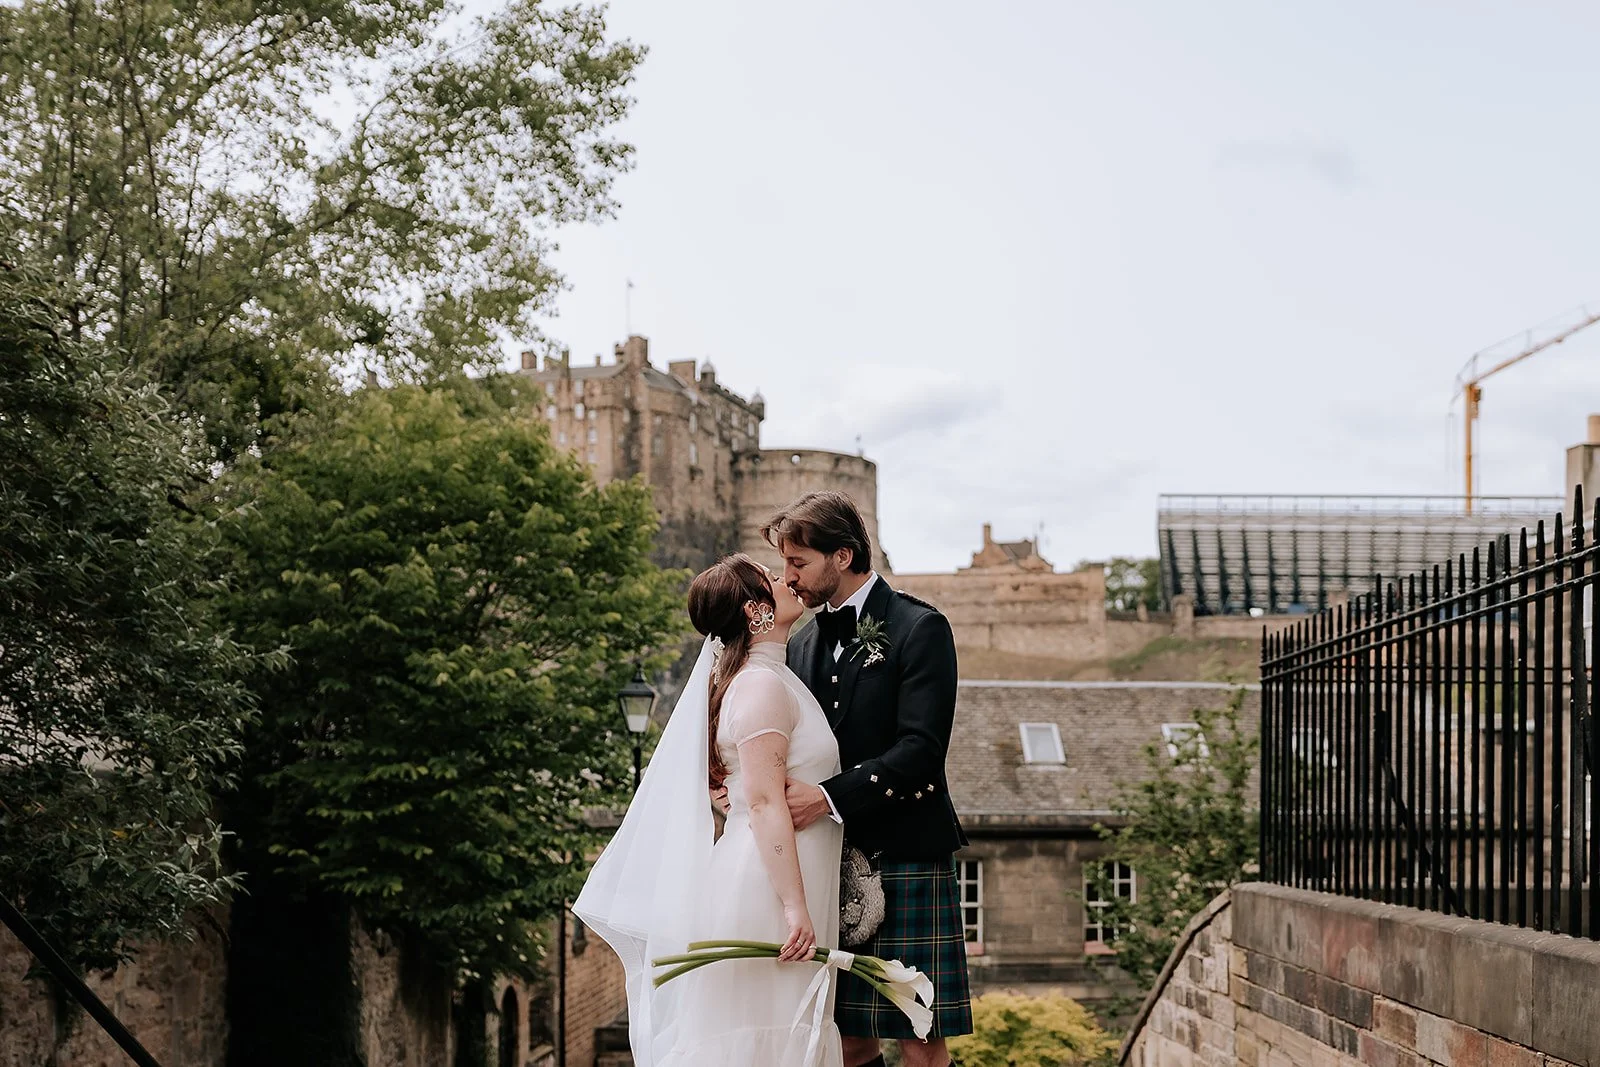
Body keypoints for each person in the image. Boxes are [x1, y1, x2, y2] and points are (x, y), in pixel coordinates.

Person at [575, 553, 845, 1067]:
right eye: (771, 578)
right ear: (755, 611)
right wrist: (793, 906)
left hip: (783, 876)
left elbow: (743, 791)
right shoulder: (762, 684)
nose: (786, 579)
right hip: (769, 888)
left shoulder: (767, 677)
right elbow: (765, 804)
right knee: (766, 1037)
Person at [766, 490, 973, 1067]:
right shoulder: (803, 643)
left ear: (844, 555)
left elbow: (922, 750)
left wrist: (829, 799)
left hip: (906, 849)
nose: (789, 579)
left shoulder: (918, 626)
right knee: (848, 1037)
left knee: (920, 1038)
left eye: (799, 564)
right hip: (830, 860)